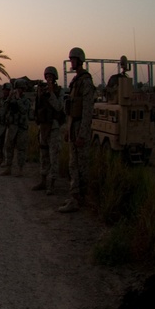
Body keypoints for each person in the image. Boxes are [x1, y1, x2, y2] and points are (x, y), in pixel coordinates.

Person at [60, 47, 95, 213]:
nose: (71, 62)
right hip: (74, 128)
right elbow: (72, 110)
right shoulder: (76, 82)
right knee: (73, 165)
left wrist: (81, 134)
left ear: (80, 60)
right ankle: (75, 197)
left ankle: (82, 197)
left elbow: (87, 111)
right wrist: (68, 130)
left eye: (73, 59)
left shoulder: (86, 82)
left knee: (81, 166)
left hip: (81, 129)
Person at [32, 66, 65, 195]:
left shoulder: (58, 91)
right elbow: (37, 108)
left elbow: (58, 107)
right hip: (44, 127)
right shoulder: (41, 90)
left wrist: (51, 93)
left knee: (53, 156)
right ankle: (43, 180)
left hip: (54, 127)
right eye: (47, 76)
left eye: (51, 77)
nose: (49, 79)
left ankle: (52, 184)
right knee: (43, 155)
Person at [1, 79, 31, 177]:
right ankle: (8, 167)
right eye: (17, 88)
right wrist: (9, 98)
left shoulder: (26, 100)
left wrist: (18, 100)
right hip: (12, 126)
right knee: (9, 147)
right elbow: (4, 109)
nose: (18, 90)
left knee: (21, 148)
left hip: (22, 127)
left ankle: (20, 169)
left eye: (20, 89)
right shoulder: (11, 99)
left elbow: (24, 110)